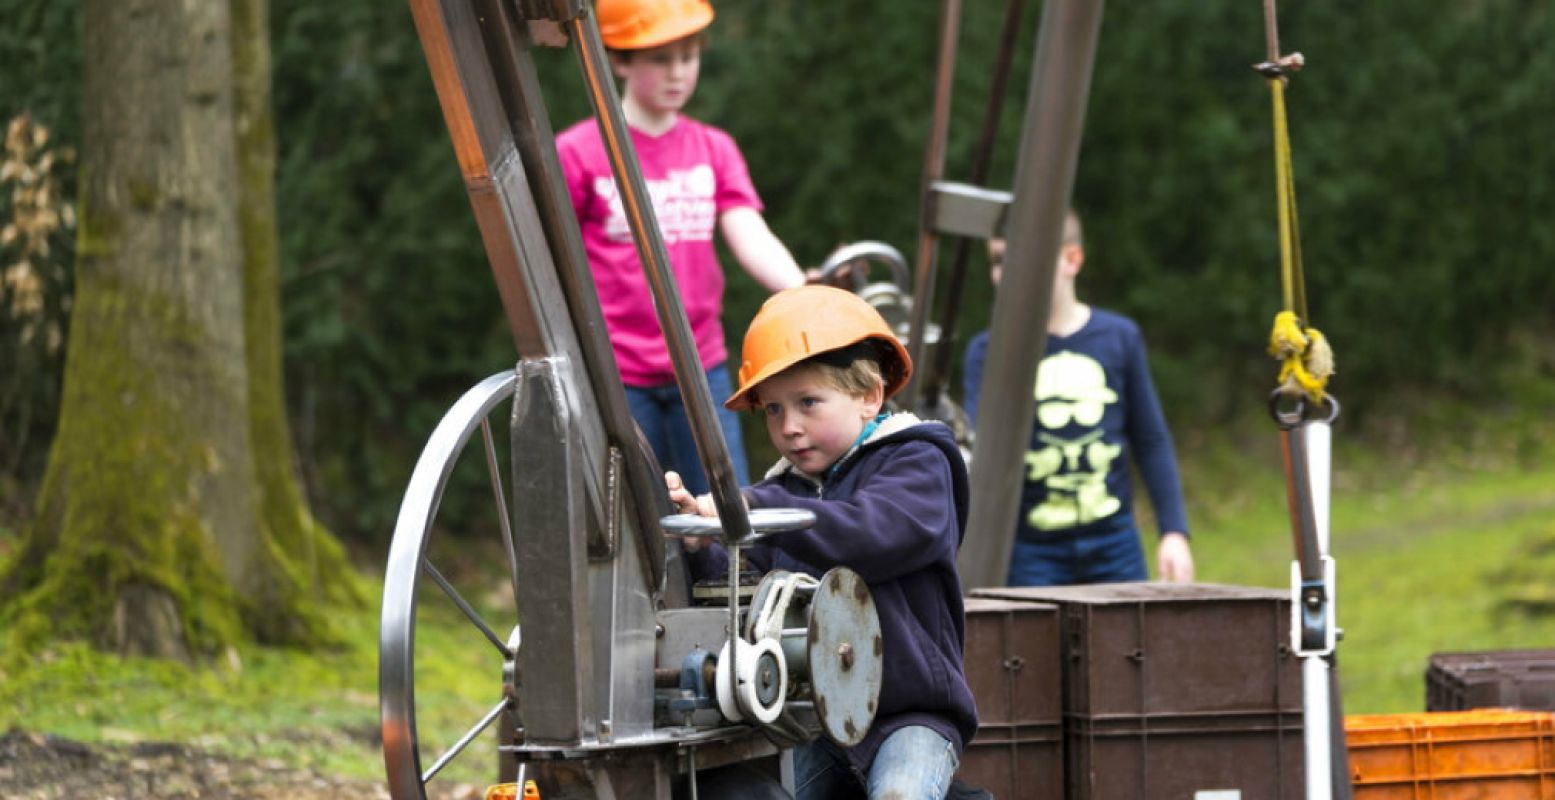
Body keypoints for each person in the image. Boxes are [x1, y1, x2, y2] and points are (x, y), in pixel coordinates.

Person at [667, 285, 978, 800]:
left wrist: (757, 512)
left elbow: (869, 533)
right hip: (809, 720)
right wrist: (700, 538)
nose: (789, 427)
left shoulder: (918, 464)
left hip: (909, 716)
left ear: (869, 396)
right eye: (771, 410)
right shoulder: (780, 493)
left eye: (808, 402)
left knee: (901, 795)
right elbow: (740, 577)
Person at [557, 0, 805, 496]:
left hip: (701, 366)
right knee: (635, 517)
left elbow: (747, 230)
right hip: (614, 372)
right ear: (621, 60)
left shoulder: (714, 148)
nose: (678, 73)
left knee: (724, 511)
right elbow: (553, 259)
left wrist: (803, 291)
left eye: (688, 57)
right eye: (660, 59)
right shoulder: (579, 152)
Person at [962, 211, 1195, 586]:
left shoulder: (1119, 337)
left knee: (1129, 644)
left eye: (1019, 259)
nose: (1002, 273)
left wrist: (1174, 532)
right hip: (1029, 553)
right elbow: (979, 452)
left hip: (1115, 545)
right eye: (996, 260)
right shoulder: (988, 352)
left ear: (1071, 260)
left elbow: (1151, 440)